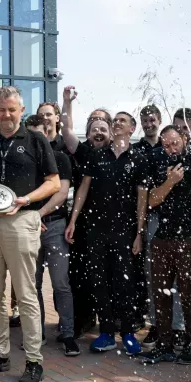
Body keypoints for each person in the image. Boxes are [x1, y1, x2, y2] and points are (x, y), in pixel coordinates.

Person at [0, 86, 60, 382]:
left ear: (21, 110)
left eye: (11, 109)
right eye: (1, 110)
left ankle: (34, 361)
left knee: (25, 294)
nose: (6, 115)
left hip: (22, 220)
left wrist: (25, 199)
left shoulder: (36, 140)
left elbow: (53, 183)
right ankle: (0, 354)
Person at [66, 111, 149, 355]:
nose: (117, 123)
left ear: (132, 128)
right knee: (99, 281)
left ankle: (128, 333)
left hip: (125, 231)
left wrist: (139, 233)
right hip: (96, 230)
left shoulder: (139, 158)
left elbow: (142, 198)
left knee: (124, 282)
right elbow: (83, 188)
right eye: (116, 120)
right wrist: (73, 220)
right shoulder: (97, 155)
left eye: (123, 120)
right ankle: (106, 333)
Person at [142, 125, 191, 365]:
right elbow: (152, 200)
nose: (171, 149)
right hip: (162, 238)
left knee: (189, 293)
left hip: (187, 239)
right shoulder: (159, 164)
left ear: (184, 139)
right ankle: (164, 345)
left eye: (175, 143)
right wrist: (170, 182)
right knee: (160, 293)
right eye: (166, 145)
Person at [59, 86, 113, 338]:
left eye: (103, 129)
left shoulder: (119, 154)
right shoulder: (83, 152)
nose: (98, 133)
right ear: (88, 134)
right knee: (81, 274)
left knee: (110, 275)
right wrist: (67, 102)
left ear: (111, 133)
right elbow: (66, 130)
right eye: (94, 129)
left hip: (112, 226)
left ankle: (111, 321)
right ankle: (84, 319)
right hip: (84, 224)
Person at [24, 115, 78, 355]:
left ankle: (68, 334)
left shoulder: (60, 158)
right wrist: (32, 218)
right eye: (29, 136)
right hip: (29, 227)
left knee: (60, 283)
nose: (34, 141)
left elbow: (62, 192)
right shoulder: (22, 161)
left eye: (38, 135)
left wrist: (39, 214)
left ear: (47, 134)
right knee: (31, 285)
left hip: (54, 225)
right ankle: (37, 334)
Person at [135, 104, 181, 346]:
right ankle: (156, 324)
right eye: (145, 120)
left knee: (180, 278)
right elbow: (145, 196)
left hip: (182, 223)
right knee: (154, 275)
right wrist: (141, 228)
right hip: (155, 220)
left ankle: (178, 327)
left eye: (152, 119)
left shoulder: (187, 154)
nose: (149, 124)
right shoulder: (149, 155)